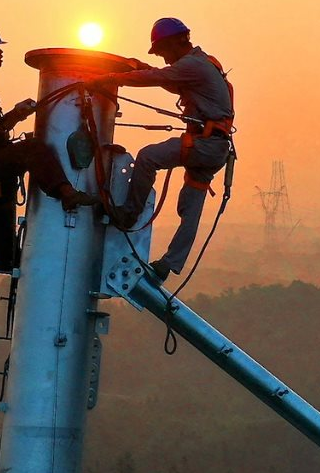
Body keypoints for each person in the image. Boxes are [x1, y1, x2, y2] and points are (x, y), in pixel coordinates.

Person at [87, 17, 234, 283]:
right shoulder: (201, 64)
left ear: (176, 42)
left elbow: (157, 78)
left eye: (164, 51)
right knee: (190, 209)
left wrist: (109, 78)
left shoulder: (192, 65)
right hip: (215, 147)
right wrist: (141, 67)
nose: (165, 58)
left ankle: (129, 213)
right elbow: (169, 81)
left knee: (148, 157)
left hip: (204, 144)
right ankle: (168, 265)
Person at [0, 23, 99, 216]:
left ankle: (64, 192)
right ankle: (67, 193)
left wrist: (16, 114)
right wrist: (13, 143)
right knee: (33, 148)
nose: (0, 52)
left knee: (28, 149)